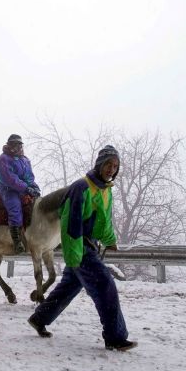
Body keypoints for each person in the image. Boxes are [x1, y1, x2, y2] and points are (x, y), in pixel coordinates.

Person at [27, 145, 137, 351]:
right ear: (99, 164)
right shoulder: (81, 187)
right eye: (108, 164)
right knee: (105, 285)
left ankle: (39, 318)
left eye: (115, 166)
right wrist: (74, 255)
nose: (111, 169)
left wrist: (109, 240)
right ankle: (115, 337)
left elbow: (104, 221)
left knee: (68, 287)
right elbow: (71, 224)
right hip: (80, 247)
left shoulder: (105, 189)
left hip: (90, 246)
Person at [0, 134, 40, 254]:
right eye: (14, 144)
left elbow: (29, 176)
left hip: (24, 188)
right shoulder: (3, 159)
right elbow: (10, 179)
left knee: (39, 205)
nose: (17, 147)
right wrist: (26, 188)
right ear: (9, 145)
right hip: (8, 189)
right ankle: (17, 241)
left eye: (19, 144)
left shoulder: (25, 160)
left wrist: (34, 187)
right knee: (15, 208)